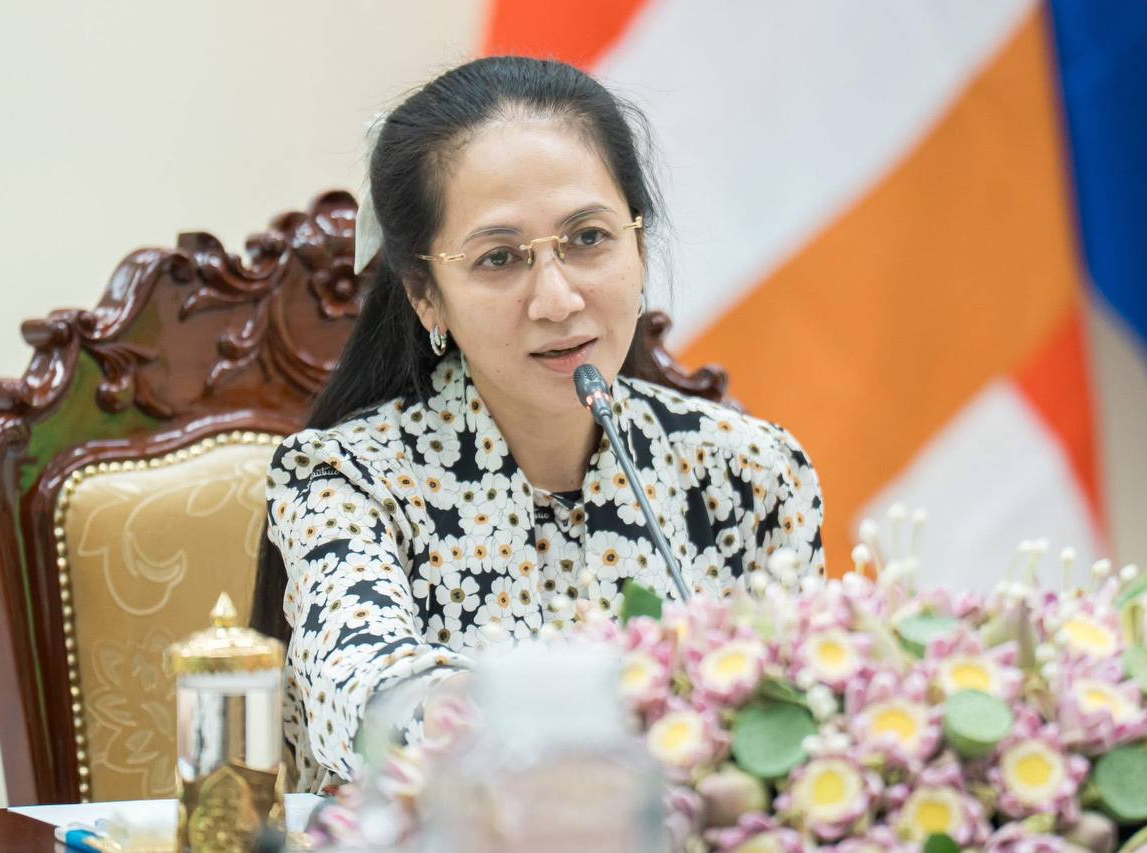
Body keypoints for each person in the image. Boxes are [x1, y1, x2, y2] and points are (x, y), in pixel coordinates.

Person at [252, 56, 825, 793]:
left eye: (588, 238)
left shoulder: (753, 471)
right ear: (426, 294)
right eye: (499, 258)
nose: (557, 300)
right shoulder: (343, 480)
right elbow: (370, 710)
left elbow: (802, 729)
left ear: (639, 245)